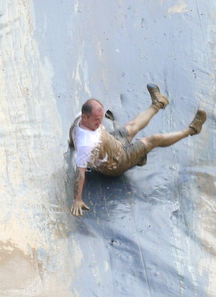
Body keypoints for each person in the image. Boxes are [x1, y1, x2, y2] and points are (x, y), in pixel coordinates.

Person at [69, 84, 206, 217]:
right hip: (118, 161)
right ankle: (192, 130)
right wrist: (77, 199)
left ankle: (158, 103)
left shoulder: (80, 119)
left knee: (131, 126)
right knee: (152, 139)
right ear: (85, 117)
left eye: (101, 119)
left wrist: (72, 142)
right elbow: (80, 173)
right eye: (96, 121)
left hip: (111, 142)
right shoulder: (87, 144)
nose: (100, 123)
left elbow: (72, 130)